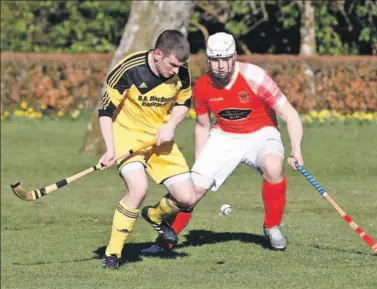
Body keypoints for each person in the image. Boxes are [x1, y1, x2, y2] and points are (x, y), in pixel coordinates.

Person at [141, 32, 304, 254]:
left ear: (234, 56)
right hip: (225, 136)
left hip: (262, 133)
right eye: (214, 60)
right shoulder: (202, 87)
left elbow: (290, 115)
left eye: (225, 59)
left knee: (273, 165)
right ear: (208, 60)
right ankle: (165, 242)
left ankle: (272, 226)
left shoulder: (256, 77)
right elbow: (202, 125)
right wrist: (199, 164)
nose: (220, 65)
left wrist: (296, 150)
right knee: (192, 191)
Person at [98, 29, 197, 269]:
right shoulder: (129, 69)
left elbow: (184, 103)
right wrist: (110, 149)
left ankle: (155, 215)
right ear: (158, 53)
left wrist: (171, 124)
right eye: (172, 64)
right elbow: (105, 111)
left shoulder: (181, 72)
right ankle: (113, 254)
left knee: (188, 197)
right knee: (138, 188)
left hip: (160, 139)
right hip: (128, 138)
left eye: (180, 65)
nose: (175, 70)